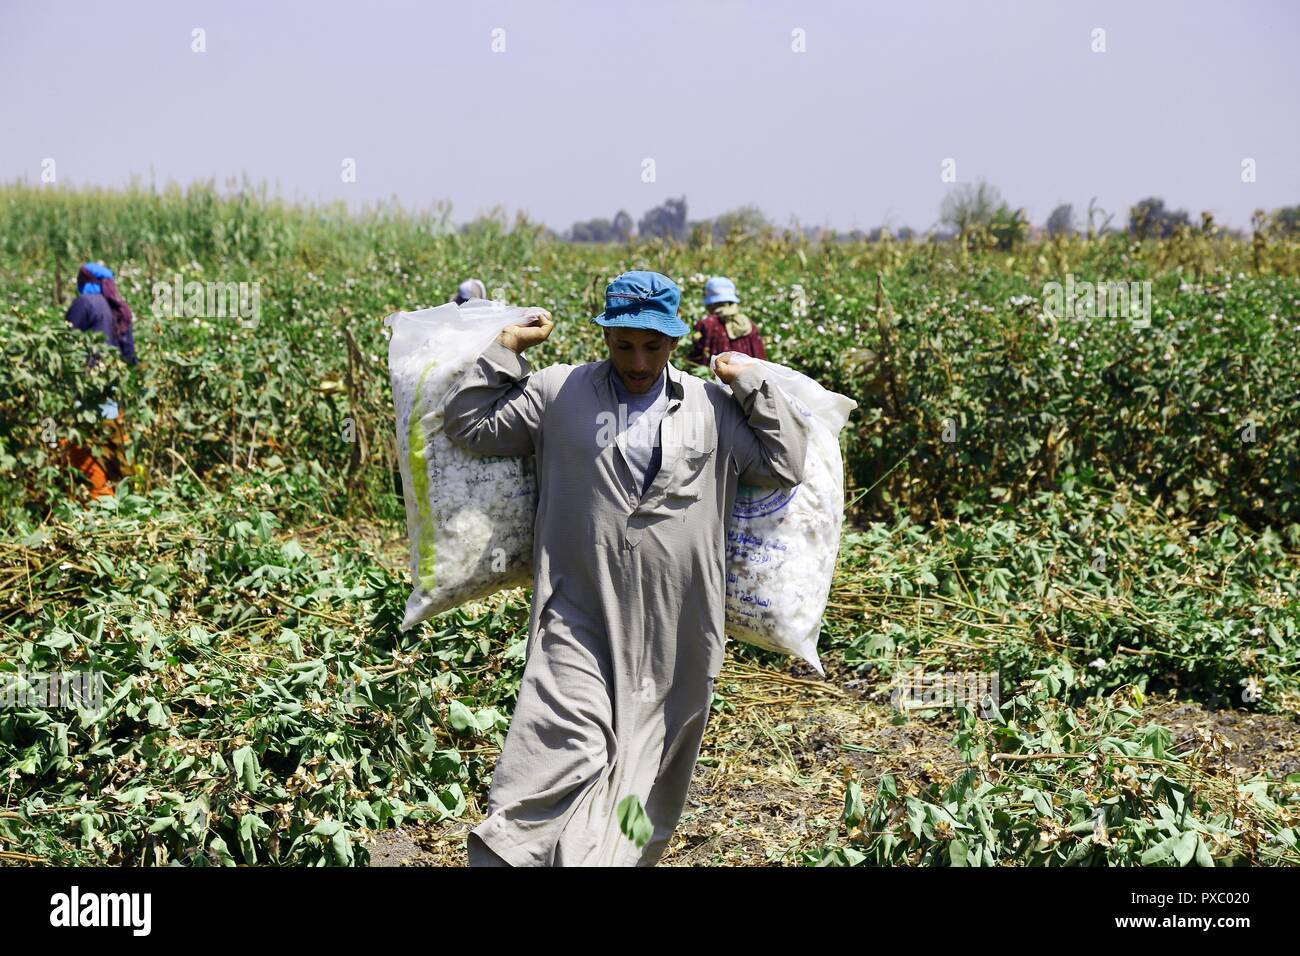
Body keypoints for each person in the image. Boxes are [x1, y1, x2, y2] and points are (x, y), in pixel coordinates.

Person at [442, 270, 810, 866]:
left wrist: (751, 380)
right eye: (624, 345)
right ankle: (504, 857)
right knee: (558, 748)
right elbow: (471, 424)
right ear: (605, 338)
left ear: (675, 340)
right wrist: (505, 348)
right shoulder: (559, 395)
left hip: (679, 632)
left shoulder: (710, 407)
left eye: (653, 345)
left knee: (646, 782)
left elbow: (785, 461)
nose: (638, 361)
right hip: (579, 614)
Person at [61, 262, 137, 498]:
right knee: (110, 445)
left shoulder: (85, 303)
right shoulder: (117, 306)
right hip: (111, 386)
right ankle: (112, 500)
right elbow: (129, 353)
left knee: (85, 447)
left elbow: (65, 341)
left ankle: (95, 500)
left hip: (86, 389)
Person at [686, 275, 767, 368]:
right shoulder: (749, 325)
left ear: (710, 304)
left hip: (714, 380)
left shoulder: (706, 325)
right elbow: (762, 362)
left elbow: (697, 361)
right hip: (747, 380)